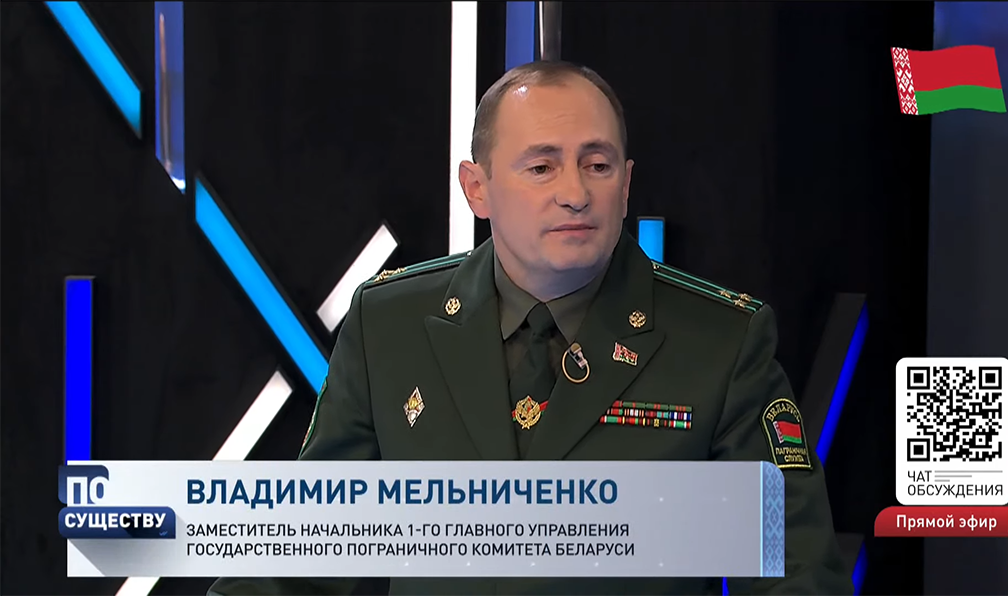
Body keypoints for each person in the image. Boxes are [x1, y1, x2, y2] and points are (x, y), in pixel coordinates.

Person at [209, 60, 852, 596]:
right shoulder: (388, 325)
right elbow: (301, 558)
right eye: (542, 167)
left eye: (597, 165)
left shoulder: (723, 342)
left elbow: (795, 574)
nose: (575, 192)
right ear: (477, 188)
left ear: (627, 184)